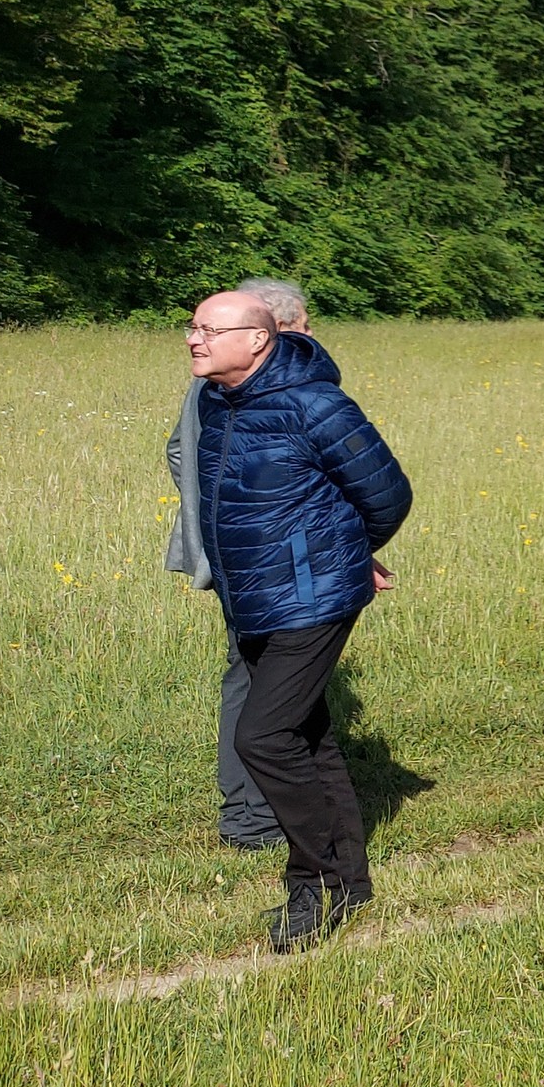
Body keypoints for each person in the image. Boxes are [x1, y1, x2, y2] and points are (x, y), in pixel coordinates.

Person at [180, 289, 411, 951]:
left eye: (208, 329)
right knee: (307, 736)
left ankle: (314, 882)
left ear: (257, 339)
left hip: (314, 596)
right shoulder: (215, 403)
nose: (194, 339)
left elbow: (387, 493)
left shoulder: (315, 404)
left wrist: (346, 552)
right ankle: (353, 883)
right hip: (252, 596)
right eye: (192, 327)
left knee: (264, 736)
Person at [167, 276, 331, 851]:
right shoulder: (231, 388)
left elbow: (179, 452)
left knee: (270, 681)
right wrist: (229, 520)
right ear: (272, 331)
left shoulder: (233, 380)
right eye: (304, 325)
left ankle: (270, 810)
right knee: (258, 684)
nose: (312, 335)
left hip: (255, 557)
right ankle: (253, 818)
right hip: (264, 562)